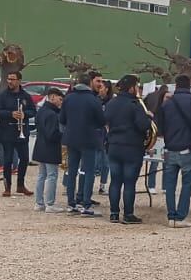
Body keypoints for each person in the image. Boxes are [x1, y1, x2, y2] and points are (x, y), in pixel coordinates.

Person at [156, 75, 191, 228]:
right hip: (188, 148)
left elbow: (161, 126)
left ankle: (171, 215)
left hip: (171, 147)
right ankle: (180, 216)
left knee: (170, 184)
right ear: (190, 86)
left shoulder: (167, 103)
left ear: (176, 86)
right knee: (186, 184)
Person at [103, 75, 151, 225]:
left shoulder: (112, 103)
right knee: (129, 182)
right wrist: (148, 118)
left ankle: (114, 213)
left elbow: (105, 120)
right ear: (131, 88)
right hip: (132, 146)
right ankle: (128, 214)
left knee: (115, 181)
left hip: (114, 145)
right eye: (136, 86)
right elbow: (143, 125)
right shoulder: (135, 104)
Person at [60, 73, 106, 217]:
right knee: (88, 171)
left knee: (72, 171)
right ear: (89, 84)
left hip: (71, 138)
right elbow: (101, 121)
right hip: (88, 138)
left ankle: (71, 203)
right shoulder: (93, 100)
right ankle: (86, 203)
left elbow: (62, 118)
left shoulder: (69, 98)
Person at [0, 71, 36, 197]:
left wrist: (24, 114)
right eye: (8, 79)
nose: (10, 81)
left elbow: (32, 111)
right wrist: (10, 114)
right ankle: (7, 187)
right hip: (7, 132)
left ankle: (20, 185)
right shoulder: (2, 96)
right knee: (8, 160)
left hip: (21, 132)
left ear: (19, 81)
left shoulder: (26, 96)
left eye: (12, 79)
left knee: (24, 159)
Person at [33, 88, 66, 213]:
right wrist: (64, 136)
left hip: (40, 146)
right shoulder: (52, 114)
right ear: (52, 97)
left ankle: (39, 202)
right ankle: (50, 203)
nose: (60, 102)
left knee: (42, 175)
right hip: (50, 148)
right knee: (52, 175)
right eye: (60, 99)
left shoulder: (41, 111)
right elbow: (52, 134)